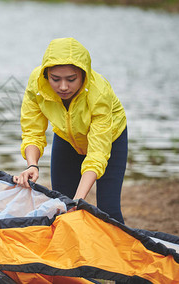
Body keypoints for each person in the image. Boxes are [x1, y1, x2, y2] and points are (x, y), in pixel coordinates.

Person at [13, 37, 127, 224]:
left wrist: (79, 200)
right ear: (45, 75)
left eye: (71, 79)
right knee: (61, 203)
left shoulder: (99, 93)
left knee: (108, 210)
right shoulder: (37, 85)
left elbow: (97, 154)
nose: (63, 87)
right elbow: (33, 131)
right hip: (67, 138)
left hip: (110, 139)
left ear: (83, 75)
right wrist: (32, 164)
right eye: (55, 79)